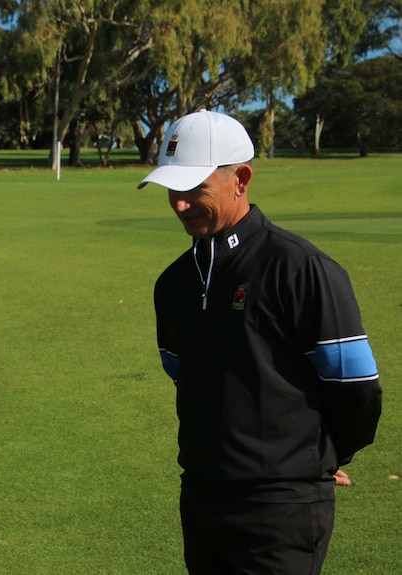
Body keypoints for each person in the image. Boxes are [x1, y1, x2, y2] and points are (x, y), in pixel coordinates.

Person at [138, 110, 382, 574]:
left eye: (193, 189)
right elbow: (185, 375)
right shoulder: (172, 284)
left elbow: (356, 387)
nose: (179, 205)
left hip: (281, 510)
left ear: (241, 179)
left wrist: (324, 457)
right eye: (173, 189)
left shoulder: (301, 268)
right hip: (202, 499)